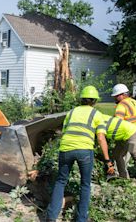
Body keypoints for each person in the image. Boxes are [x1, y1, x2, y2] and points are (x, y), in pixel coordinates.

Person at [46, 86, 114, 222]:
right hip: (84, 151)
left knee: (60, 181)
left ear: (81, 99)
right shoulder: (96, 114)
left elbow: (64, 132)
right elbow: (101, 138)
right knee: (85, 184)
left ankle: (51, 217)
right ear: (94, 100)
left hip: (66, 148)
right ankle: (81, 218)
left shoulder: (71, 112)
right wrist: (107, 161)